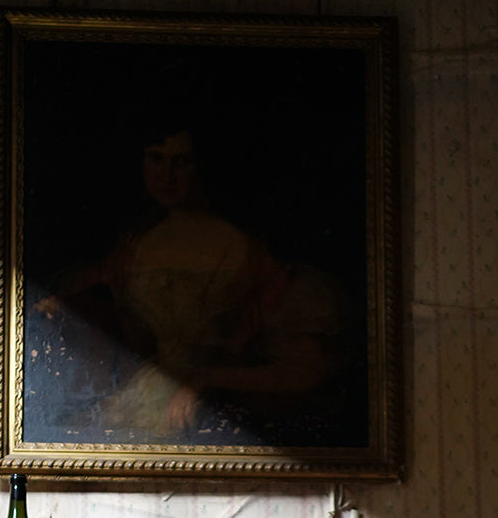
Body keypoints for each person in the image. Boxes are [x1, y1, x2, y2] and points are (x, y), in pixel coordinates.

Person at [32, 123, 347, 443]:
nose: (166, 176)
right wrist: (75, 313)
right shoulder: (138, 244)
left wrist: (206, 380)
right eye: (156, 158)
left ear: (203, 164)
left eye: (181, 161)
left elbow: (305, 371)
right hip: (143, 398)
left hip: (209, 410)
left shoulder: (249, 251)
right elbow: (140, 345)